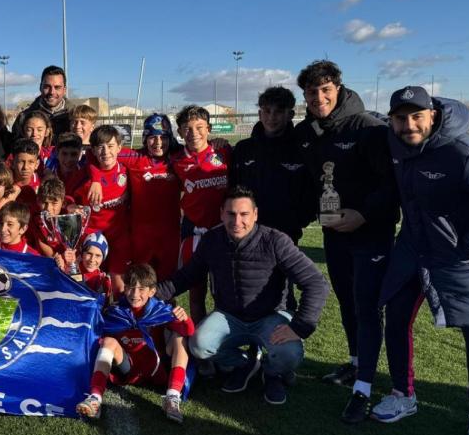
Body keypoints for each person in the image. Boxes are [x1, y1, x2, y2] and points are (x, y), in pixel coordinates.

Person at [375, 87, 469, 435]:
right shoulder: (394, 143)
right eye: (400, 117)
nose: (408, 125)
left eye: (416, 116)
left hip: (463, 257)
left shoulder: (468, 152)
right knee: (395, 317)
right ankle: (402, 393)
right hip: (412, 249)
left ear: (433, 115)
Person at [156, 187, 329, 404]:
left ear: (255, 214)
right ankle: (246, 363)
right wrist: (152, 293)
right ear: (221, 213)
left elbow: (316, 283)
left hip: (270, 316)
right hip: (229, 317)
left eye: (244, 214)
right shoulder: (212, 241)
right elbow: (186, 277)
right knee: (199, 345)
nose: (237, 221)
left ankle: (271, 372)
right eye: (231, 214)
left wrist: (300, 326)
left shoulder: (276, 241)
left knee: (289, 354)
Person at [294, 60, 399, 389]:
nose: (319, 98)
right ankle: (356, 362)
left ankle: (369, 374)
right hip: (333, 231)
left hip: (371, 231)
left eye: (325, 90)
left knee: (367, 302)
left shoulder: (368, 128)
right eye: (312, 92)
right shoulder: (305, 133)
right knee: (346, 298)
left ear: (338, 89)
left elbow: (392, 184)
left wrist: (363, 214)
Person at [230, 87, 315, 312]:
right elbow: (232, 190)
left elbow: (311, 192)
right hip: (248, 234)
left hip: (285, 234)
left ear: (290, 114)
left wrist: (297, 221)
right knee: (248, 291)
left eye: (278, 112)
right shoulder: (243, 149)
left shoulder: (301, 149)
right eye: (266, 111)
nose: (271, 117)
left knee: (282, 293)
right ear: (259, 114)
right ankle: (251, 344)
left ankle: (285, 342)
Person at [76, 264, 194, 423]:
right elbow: (94, 333)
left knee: (179, 338)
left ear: (152, 292)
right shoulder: (116, 311)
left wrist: (185, 320)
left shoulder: (161, 310)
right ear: (124, 288)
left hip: (156, 369)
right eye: (131, 288)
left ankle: (172, 397)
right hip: (128, 368)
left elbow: (189, 332)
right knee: (108, 341)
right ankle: (95, 398)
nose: (135, 294)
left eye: (141, 289)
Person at [169, 105, 231, 323]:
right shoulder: (175, 161)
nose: (193, 133)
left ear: (209, 128)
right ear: (179, 132)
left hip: (224, 233)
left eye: (199, 127)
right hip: (194, 233)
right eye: (187, 128)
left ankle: (223, 343)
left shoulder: (224, 152)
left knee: (224, 293)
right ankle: (199, 346)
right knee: (196, 294)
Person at [120, 114, 182, 281]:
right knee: (140, 281)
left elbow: (203, 152)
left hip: (170, 235)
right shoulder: (135, 158)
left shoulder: (178, 158)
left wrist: (218, 143)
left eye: (163, 137)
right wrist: (97, 179)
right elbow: (98, 150)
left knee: (167, 285)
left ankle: (164, 309)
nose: (158, 143)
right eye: (153, 137)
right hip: (141, 235)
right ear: (145, 138)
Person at [76, 125, 132, 293]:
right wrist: (72, 205)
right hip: (92, 237)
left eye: (110, 146)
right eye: (100, 147)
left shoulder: (126, 171)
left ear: (119, 148)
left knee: (119, 287)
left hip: (119, 237)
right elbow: (68, 198)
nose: (106, 151)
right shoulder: (84, 175)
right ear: (93, 150)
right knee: (88, 286)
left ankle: (117, 318)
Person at [12, 65, 71, 138]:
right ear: (40, 87)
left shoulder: (75, 118)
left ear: (64, 90)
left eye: (57, 87)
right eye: (47, 87)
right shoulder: (24, 118)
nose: (52, 92)